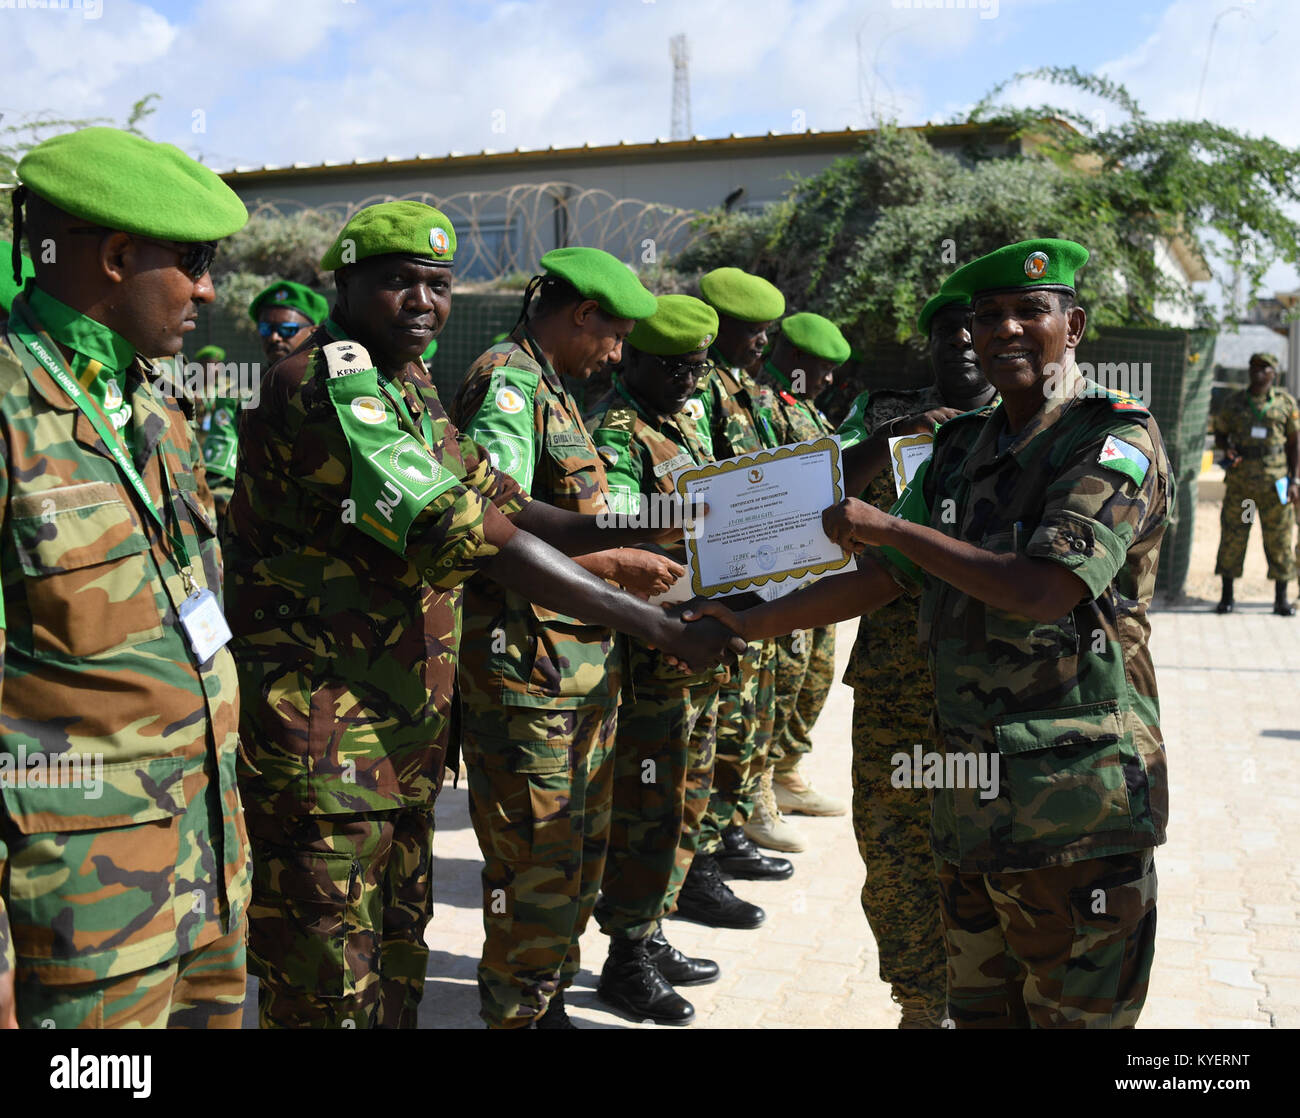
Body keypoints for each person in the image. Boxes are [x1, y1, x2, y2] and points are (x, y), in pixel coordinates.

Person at [222, 202, 742, 1029]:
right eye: (397, 282)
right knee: (326, 984)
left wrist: (692, 521)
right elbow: (475, 536)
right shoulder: (326, 384)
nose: (423, 302)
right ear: (344, 285)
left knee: (396, 960)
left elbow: (520, 507)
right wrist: (658, 628)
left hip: (399, 734)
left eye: (438, 284)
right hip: (326, 745)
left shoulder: (410, 383)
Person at [687, 239, 1172, 1028]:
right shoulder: (958, 451)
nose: (1007, 330)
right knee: (974, 1010)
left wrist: (890, 529)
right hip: (969, 798)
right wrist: (740, 622)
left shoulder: (1112, 437)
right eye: (989, 318)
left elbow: (1045, 587)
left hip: (1075, 804)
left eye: (1029, 311)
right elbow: (885, 581)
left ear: (1072, 326)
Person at [0, 126, 250, 1029]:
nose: (209, 289)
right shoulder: (7, 409)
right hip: (84, 920)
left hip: (209, 873)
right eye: (194, 262)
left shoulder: (156, 401)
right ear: (114, 255)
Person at [448, 247, 692, 1030]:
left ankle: (547, 995)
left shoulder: (552, 387)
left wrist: (653, 528)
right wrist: (621, 548)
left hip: (579, 671)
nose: (616, 356)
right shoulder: (510, 384)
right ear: (582, 315)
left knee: (573, 860)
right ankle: (520, 1013)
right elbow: (501, 520)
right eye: (614, 337)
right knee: (536, 870)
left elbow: (573, 518)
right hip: (528, 676)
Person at [586, 293, 750, 1025]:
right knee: (650, 807)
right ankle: (626, 959)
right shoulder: (619, 434)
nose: (690, 383)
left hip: (701, 637)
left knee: (684, 799)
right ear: (637, 359)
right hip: (658, 650)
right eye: (676, 369)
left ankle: (649, 934)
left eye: (699, 369)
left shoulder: (676, 421)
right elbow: (624, 537)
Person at [835, 289, 996, 1028]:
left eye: (979, 326)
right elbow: (815, 500)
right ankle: (920, 1004)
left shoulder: (1038, 428)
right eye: (947, 331)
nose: (964, 341)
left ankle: (989, 1002)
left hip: (996, 692)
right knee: (896, 849)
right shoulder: (884, 414)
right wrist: (898, 432)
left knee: (990, 850)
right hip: (897, 682)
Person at [692, 266, 804, 862]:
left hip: (758, 574)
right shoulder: (701, 386)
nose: (764, 343)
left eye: (768, 333)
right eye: (753, 331)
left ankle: (731, 824)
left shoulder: (746, 390)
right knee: (725, 713)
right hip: (723, 575)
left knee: (752, 708)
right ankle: (711, 841)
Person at [752, 312, 852, 821]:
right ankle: (759, 783)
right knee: (782, 678)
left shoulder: (809, 410)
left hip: (819, 567)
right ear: (792, 359)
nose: (830, 379)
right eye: (822, 366)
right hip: (782, 572)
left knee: (814, 674)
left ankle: (787, 769)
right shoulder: (760, 404)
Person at [1212, 352, 1298, 616]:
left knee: (1279, 540)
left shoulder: (1285, 404)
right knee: (1234, 537)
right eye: (1254, 367)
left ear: (1274, 373)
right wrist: (1226, 449)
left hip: (1276, 486)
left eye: (1264, 368)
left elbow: (1294, 444)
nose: (1258, 372)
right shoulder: (1234, 402)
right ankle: (1227, 597)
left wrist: (1295, 480)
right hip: (1241, 487)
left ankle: (1281, 599)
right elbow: (1220, 433)